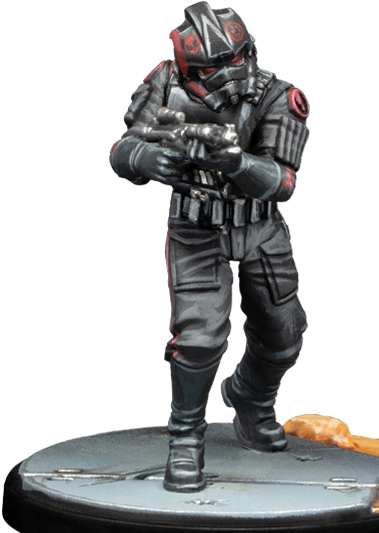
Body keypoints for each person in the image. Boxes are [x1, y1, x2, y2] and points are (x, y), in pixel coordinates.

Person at [110, 0, 308, 493]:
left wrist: (237, 163)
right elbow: (123, 145)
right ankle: (185, 440)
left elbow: (283, 183)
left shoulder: (274, 94)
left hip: (258, 228)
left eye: (234, 60)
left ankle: (249, 399)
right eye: (210, 67)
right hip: (196, 228)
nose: (225, 73)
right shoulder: (166, 83)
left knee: (284, 337)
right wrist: (144, 158)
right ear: (186, 67)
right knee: (199, 341)